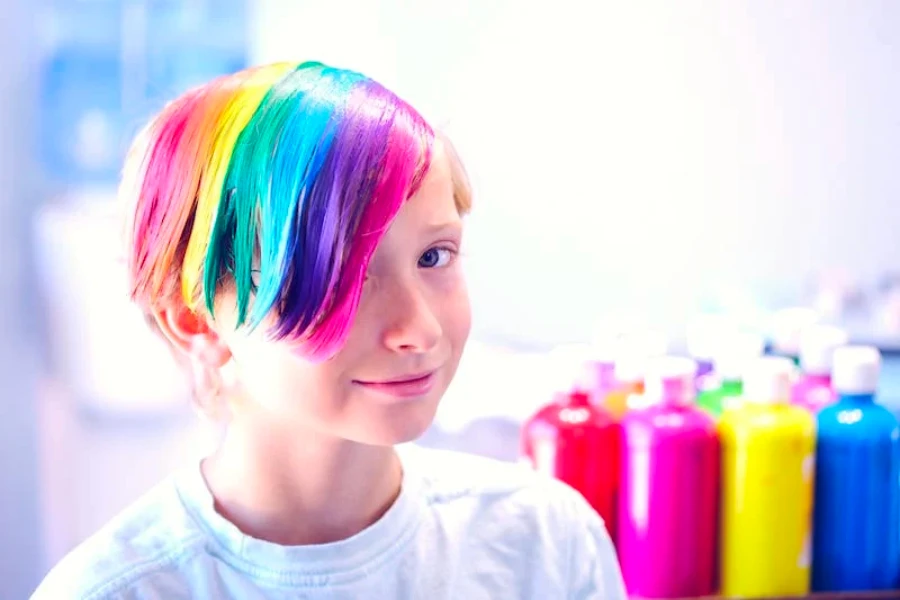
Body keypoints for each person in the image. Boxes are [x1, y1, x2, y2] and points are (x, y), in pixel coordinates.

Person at [33, 61, 625, 599]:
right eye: (344, 274)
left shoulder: (543, 545)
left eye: (434, 257)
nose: (418, 330)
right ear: (199, 323)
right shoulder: (113, 592)